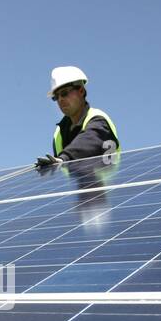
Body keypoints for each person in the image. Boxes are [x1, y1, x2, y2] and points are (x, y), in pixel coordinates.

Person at [34, 67, 121, 225]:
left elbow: (91, 140)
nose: (60, 100)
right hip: (79, 200)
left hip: (111, 198)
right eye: (56, 97)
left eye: (65, 93)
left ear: (81, 90)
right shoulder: (58, 134)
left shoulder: (97, 119)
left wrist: (64, 158)